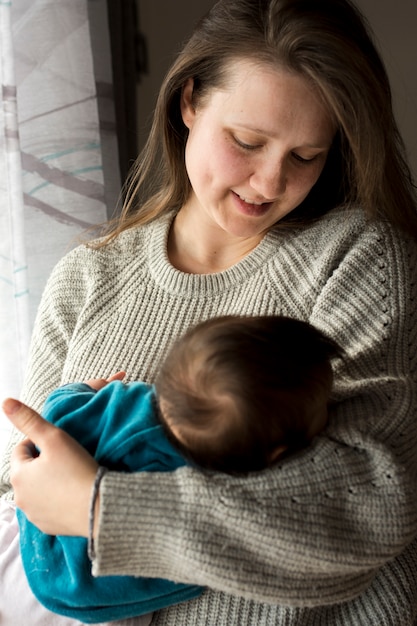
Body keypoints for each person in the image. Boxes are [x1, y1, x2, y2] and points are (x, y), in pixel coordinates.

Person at [2, 0, 417, 624]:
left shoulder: (356, 260)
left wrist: (101, 505)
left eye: (307, 156)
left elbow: (367, 507)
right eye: (247, 142)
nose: (271, 182)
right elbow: (25, 494)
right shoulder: (88, 277)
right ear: (190, 102)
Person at [17, 314, 340, 623]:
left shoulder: (121, 399)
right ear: (276, 455)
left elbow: (58, 404)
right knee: (207, 568)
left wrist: (85, 391)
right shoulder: (201, 484)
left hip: (25, 526)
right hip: (70, 585)